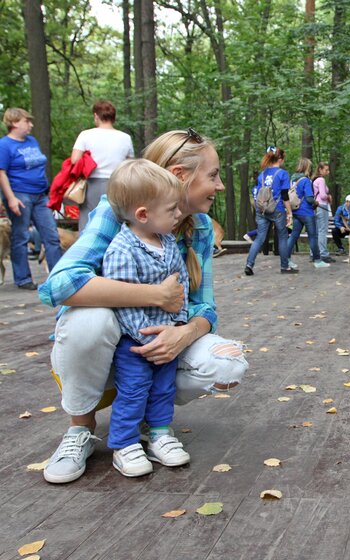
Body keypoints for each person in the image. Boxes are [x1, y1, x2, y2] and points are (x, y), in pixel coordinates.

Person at [38, 129, 248, 484]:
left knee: (227, 362)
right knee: (89, 321)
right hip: (106, 348)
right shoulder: (117, 212)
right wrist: (155, 297)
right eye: (213, 175)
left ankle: (155, 423)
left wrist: (182, 334)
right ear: (181, 176)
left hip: (158, 344)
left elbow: (206, 308)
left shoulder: (197, 227)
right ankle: (80, 429)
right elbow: (57, 286)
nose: (221, 186)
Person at [102, 159, 190, 476]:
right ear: (143, 214)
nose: (179, 214)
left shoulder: (168, 243)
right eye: (172, 210)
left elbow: (182, 285)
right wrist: (145, 337)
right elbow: (123, 300)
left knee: (164, 387)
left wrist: (178, 324)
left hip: (166, 336)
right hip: (136, 344)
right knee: (135, 388)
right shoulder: (123, 248)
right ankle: (124, 443)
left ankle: (160, 433)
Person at [0, 108, 63, 290]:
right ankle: (23, 278)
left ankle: (58, 275)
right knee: (20, 236)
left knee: (51, 235)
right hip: (20, 195)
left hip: (40, 195)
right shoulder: (4, 145)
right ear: (14, 123)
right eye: (26, 121)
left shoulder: (32, 141)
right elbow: (1, 173)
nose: (31, 124)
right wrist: (11, 198)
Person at [70, 100, 135, 230]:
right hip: (117, 184)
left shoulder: (86, 135)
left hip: (91, 184)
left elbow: (74, 160)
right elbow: (130, 164)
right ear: (113, 117)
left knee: (88, 219)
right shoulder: (125, 137)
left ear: (96, 116)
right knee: (115, 220)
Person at [244, 146, 292, 276]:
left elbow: (257, 192)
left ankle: (249, 264)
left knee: (260, 237)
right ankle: (284, 266)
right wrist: (290, 213)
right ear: (280, 159)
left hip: (262, 210)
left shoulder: (262, 174)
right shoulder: (283, 174)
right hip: (277, 209)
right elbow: (284, 195)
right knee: (282, 237)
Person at [282, 157, 330, 272]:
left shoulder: (292, 179)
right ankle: (317, 260)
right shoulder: (305, 180)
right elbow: (309, 198)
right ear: (306, 167)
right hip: (306, 212)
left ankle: (286, 259)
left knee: (293, 236)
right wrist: (316, 202)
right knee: (313, 236)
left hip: (296, 211)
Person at [312, 162, 334, 263]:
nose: (328, 172)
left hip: (316, 207)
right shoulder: (321, 180)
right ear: (320, 170)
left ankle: (313, 253)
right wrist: (328, 196)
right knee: (322, 230)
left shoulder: (315, 180)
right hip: (322, 206)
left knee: (316, 231)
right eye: (326, 170)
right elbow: (322, 195)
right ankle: (323, 254)